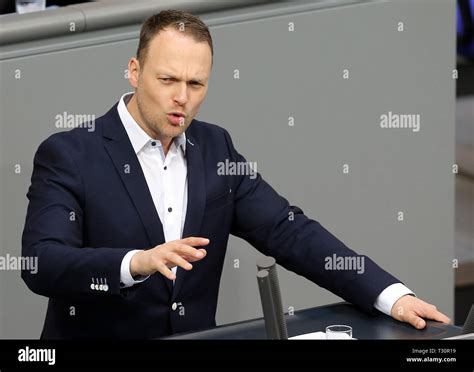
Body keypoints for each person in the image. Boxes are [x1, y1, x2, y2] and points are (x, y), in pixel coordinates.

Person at [21, 9, 451, 339]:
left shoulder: (215, 148)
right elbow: (41, 262)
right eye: (167, 79)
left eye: (196, 84)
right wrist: (136, 262)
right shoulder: (71, 154)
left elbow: (289, 231)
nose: (181, 99)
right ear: (134, 71)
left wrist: (391, 296)